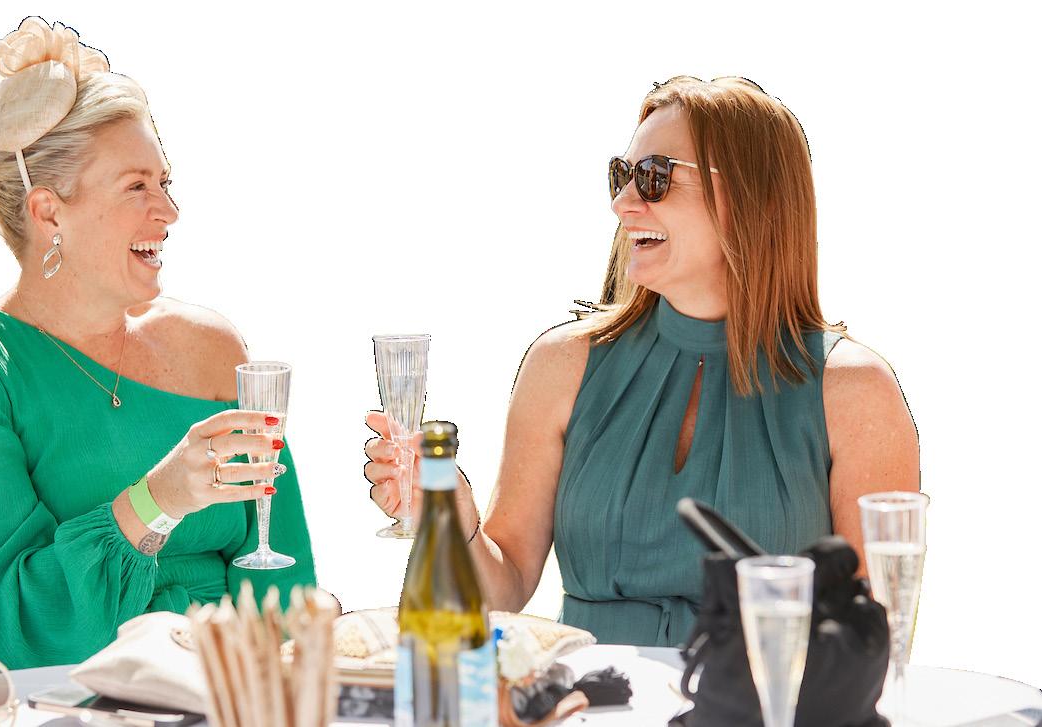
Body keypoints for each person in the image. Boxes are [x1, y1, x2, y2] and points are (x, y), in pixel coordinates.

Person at [364, 76, 919, 647]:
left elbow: (871, 636)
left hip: (764, 695)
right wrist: (451, 520)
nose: (622, 203)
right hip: (590, 693)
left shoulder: (854, 392)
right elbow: (502, 589)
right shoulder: (561, 365)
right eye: (621, 175)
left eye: (654, 177)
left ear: (749, 197)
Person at [0, 17, 315, 669]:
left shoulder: (212, 347)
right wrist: (159, 498)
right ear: (48, 212)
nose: (168, 212)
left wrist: (259, 681)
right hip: (63, 696)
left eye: (164, 182)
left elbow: (283, 579)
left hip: (228, 685)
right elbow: (20, 621)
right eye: (136, 186)